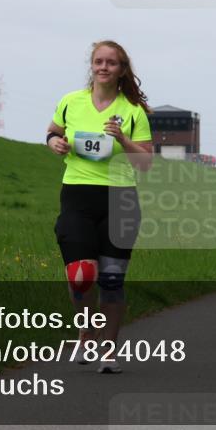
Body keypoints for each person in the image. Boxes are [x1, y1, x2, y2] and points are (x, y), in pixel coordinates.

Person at [46, 40, 153, 373]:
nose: (104, 67)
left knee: (111, 279)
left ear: (122, 70)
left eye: (111, 63)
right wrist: (55, 143)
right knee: (81, 275)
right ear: (91, 66)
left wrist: (122, 139)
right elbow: (51, 132)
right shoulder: (70, 102)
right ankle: (86, 331)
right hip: (78, 194)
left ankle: (108, 350)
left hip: (120, 198)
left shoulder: (133, 111)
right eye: (98, 61)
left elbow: (146, 162)